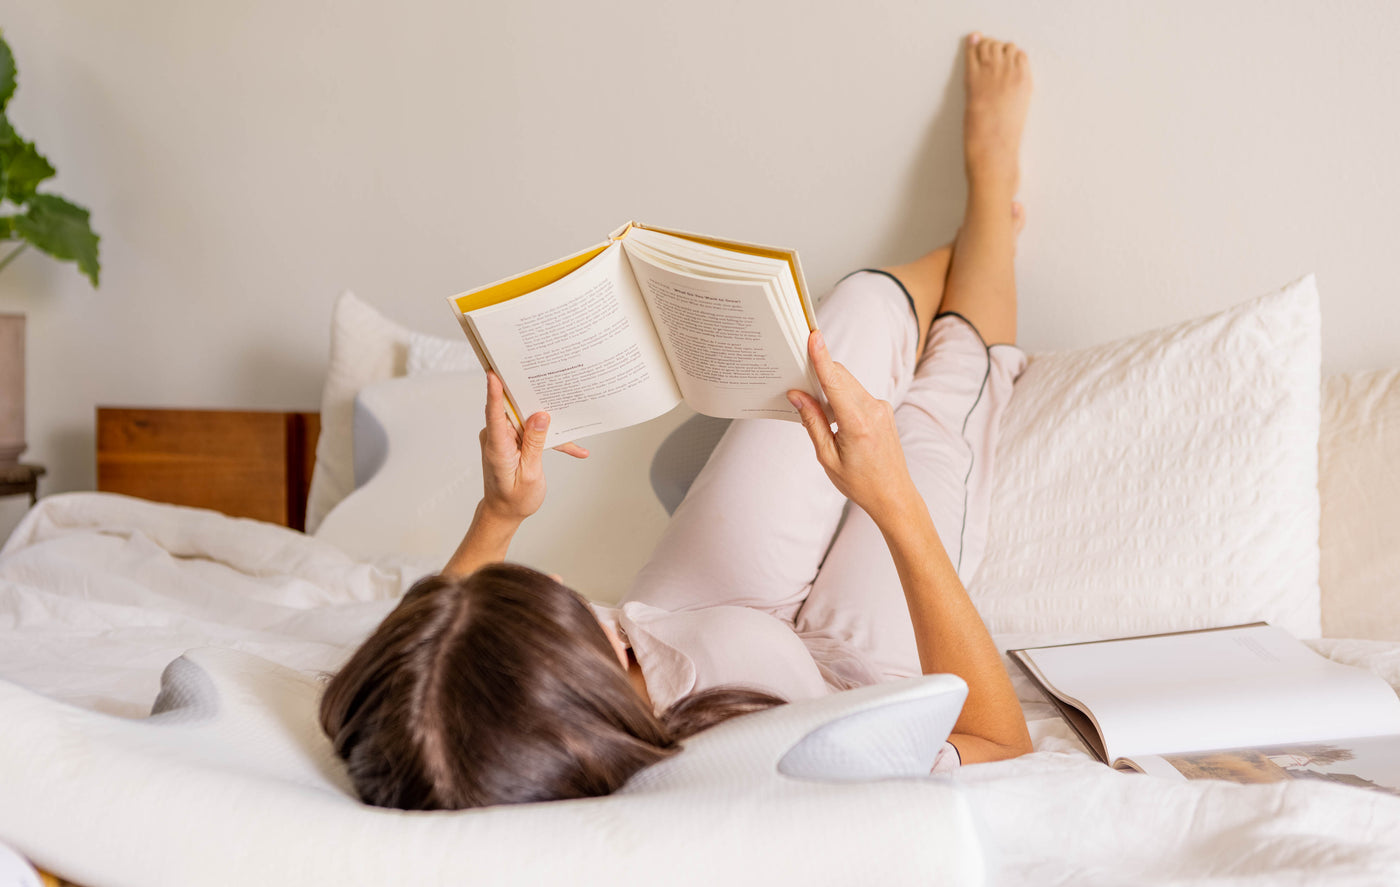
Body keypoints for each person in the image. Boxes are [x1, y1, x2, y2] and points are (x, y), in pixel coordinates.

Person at [320, 32, 1035, 812]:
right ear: (583, 705)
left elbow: (415, 675)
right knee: (943, 401)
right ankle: (991, 204)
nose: (559, 581)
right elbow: (999, 744)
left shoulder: (473, 732)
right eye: (562, 615)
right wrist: (891, 496)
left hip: (684, 624)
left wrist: (500, 515)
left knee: (844, 324)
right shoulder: (780, 768)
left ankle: (974, 246)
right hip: (848, 685)